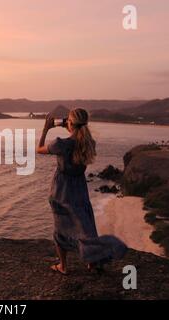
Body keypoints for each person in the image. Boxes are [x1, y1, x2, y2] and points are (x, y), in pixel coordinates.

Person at [37, 108, 127, 275]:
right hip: (79, 187)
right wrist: (71, 127)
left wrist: (46, 129)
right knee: (85, 224)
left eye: (68, 121)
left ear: (70, 123)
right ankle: (93, 262)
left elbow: (39, 149)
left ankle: (63, 266)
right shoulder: (89, 143)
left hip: (62, 189)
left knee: (61, 227)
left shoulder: (61, 144)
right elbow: (78, 136)